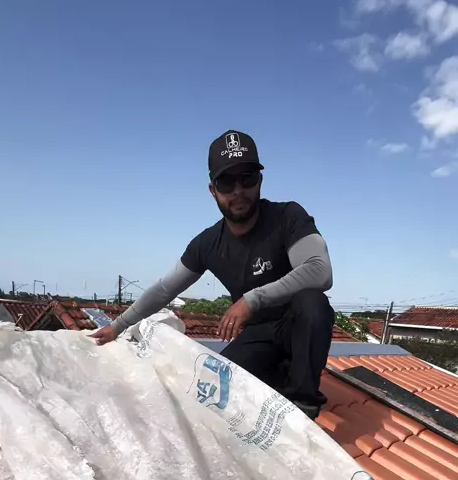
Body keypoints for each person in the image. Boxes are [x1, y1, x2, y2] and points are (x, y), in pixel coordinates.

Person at [91, 130, 334, 419]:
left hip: (297, 330)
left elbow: (319, 270)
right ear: (213, 190)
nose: (238, 190)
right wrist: (118, 326)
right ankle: (279, 375)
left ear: (260, 181)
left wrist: (252, 299)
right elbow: (165, 289)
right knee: (212, 396)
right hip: (258, 337)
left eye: (247, 178)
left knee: (313, 303)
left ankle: (304, 408)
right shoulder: (208, 244)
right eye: (226, 182)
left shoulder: (288, 217)